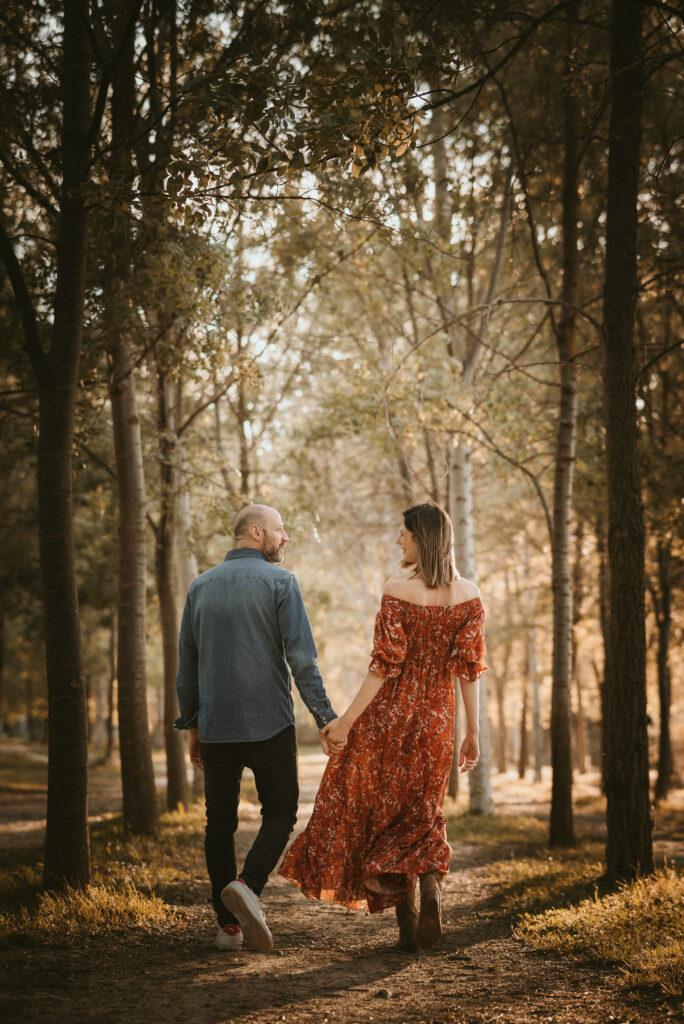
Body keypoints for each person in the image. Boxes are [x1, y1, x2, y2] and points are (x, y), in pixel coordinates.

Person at [279, 501, 487, 953]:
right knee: (423, 811)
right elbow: (469, 670)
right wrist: (473, 731)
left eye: (405, 535)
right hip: (437, 719)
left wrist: (345, 721)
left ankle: (408, 922)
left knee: (385, 809)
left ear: (423, 538)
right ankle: (429, 884)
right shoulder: (469, 595)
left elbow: (384, 666)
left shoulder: (397, 590)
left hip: (390, 716)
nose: (399, 541)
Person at [175, 503, 342, 954]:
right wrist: (325, 718)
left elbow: (187, 668)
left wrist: (192, 724)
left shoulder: (200, 587)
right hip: (269, 723)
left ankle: (227, 928)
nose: (284, 538)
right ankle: (248, 886)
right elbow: (302, 660)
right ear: (255, 531)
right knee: (282, 810)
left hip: (216, 726)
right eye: (280, 530)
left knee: (219, 825)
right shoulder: (281, 582)